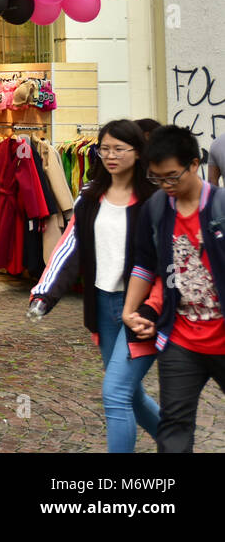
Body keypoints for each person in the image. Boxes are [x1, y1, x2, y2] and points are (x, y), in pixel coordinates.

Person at [28, 119, 159, 452]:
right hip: (102, 306)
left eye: (119, 149)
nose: (110, 156)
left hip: (142, 312)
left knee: (115, 394)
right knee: (132, 394)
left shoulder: (155, 201)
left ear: (138, 152)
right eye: (104, 149)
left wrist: (152, 307)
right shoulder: (90, 196)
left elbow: (166, 261)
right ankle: (177, 440)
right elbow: (70, 247)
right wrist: (45, 294)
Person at [123, 124, 225, 452]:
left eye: (172, 176)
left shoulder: (221, 207)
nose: (165, 185)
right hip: (181, 340)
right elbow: (144, 263)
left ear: (194, 164)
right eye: (157, 178)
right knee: (174, 429)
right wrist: (129, 310)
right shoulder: (155, 209)